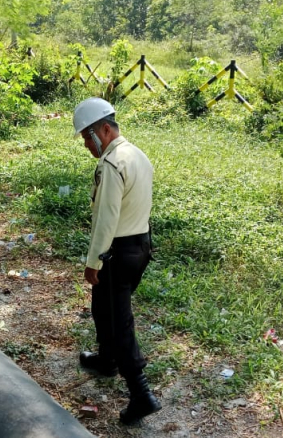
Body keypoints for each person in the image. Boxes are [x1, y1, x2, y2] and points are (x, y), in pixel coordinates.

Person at [72, 98, 161, 424]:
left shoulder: (111, 164)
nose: (86, 144)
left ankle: (141, 394)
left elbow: (106, 220)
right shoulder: (137, 155)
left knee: (118, 321)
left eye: (87, 137)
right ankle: (106, 360)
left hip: (116, 252)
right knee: (104, 309)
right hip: (140, 246)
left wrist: (93, 261)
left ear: (104, 130)